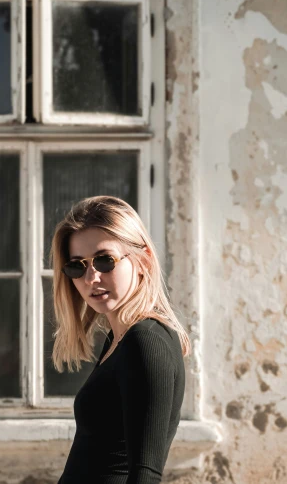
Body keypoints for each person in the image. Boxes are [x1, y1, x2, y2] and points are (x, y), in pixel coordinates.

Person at [50, 195, 190, 484]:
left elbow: (146, 473)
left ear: (143, 260)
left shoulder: (146, 342)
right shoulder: (120, 338)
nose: (90, 278)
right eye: (77, 266)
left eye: (104, 261)